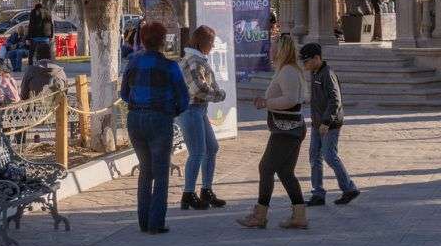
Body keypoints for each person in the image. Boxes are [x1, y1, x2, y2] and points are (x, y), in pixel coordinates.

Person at [120, 21, 189, 234]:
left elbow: (123, 94)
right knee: (160, 172)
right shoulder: (170, 66)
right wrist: (172, 110)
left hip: (136, 119)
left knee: (145, 170)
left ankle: (143, 220)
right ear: (161, 41)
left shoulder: (132, 62)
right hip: (160, 119)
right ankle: (156, 222)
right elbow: (184, 98)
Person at [238, 33, 308, 231]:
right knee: (285, 172)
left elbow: (291, 99)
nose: (269, 50)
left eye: (272, 47)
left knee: (266, 168)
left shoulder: (288, 71)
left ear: (281, 50)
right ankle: (299, 214)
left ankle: (260, 214)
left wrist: (266, 103)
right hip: (287, 128)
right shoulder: (287, 70)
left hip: (287, 130)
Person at [301, 43, 359, 207]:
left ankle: (349, 188)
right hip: (317, 124)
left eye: (306, 61)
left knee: (329, 156)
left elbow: (335, 100)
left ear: (317, 58)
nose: (304, 65)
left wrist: (327, 122)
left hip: (329, 124)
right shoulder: (315, 73)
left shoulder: (327, 74)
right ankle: (318, 193)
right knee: (314, 157)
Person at [177, 26, 227, 211]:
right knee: (197, 152)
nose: (213, 46)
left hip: (199, 110)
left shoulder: (197, 59)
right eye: (211, 43)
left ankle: (206, 189)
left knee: (211, 148)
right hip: (190, 109)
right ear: (202, 42)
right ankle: (188, 193)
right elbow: (198, 89)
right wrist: (218, 94)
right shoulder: (194, 60)